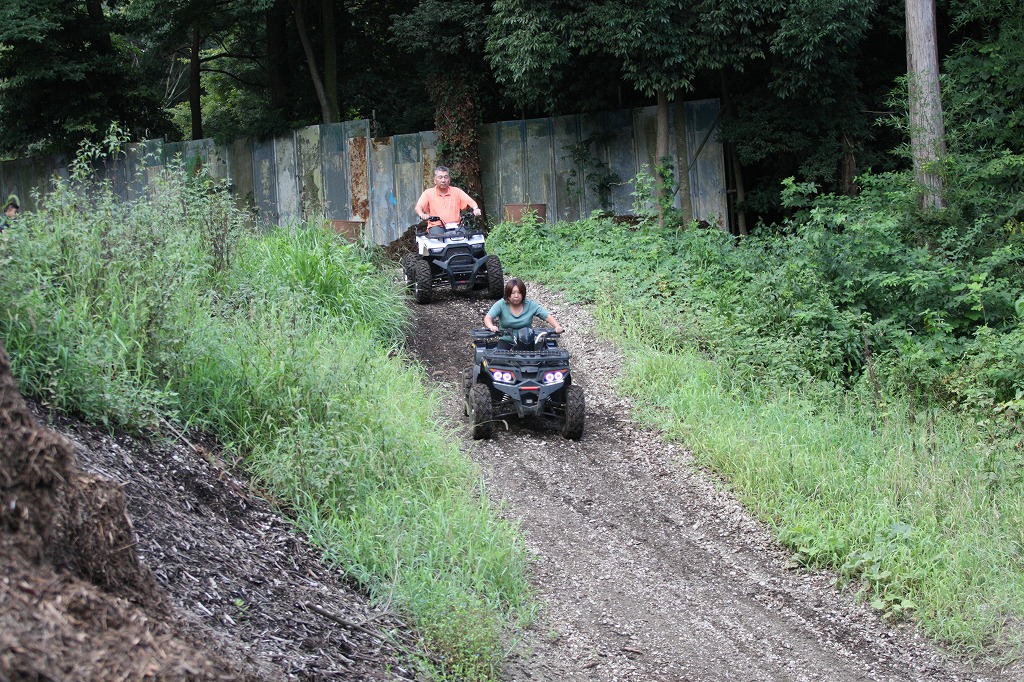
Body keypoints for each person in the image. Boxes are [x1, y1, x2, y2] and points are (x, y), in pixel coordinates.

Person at [484, 278, 565, 349]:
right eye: (513, 293)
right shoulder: (501, 304)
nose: (516, 296)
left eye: (519, 292)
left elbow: (546, 315)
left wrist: (557, 326)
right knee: (498, 359)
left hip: (527, 341)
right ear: (508, 294)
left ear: (523, 294)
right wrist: (491, 326)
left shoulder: (530, 305)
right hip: (506, 340)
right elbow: (488, 317)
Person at [414, 166, 482, 230]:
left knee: (464, 236)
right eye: (440, 177)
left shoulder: (457, 191)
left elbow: (470, 201)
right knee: (438, 236)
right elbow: (418, 206)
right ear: (434, 180)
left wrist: (476, 208)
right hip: (436, 226)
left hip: (456, 226)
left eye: (446, 177)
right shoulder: (428, 193)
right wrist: (421, 214)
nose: (443, 180)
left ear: (449, 180)